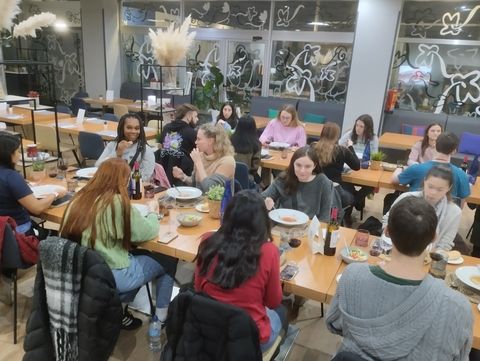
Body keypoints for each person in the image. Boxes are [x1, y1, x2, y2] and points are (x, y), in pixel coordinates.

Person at [326, 197, 473, 361]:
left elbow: (334, 323)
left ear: (387, 231)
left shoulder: (352, 276)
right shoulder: (458, 307)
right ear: (434, 237)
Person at [60, 158, 176, 330]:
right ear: (123, 180)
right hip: (113, 272)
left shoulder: (78, 199)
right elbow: (148, 231)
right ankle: (160, 319)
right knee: (169, 259)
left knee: (136, 256)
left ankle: (117, 313)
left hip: (82, 269)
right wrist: (153, 212)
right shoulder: (116, 203)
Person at [194, 190, 286, 352]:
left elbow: (198, 288)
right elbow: (273, 302)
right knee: (281, 312)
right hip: (247, 338)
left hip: (209, 328)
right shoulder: (269, 251)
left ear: (228, 216)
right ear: (261, 221)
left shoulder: (208, 240)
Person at [0, 132, 66, 235]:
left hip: (5, 232)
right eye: (17, 151)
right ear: (8, 154)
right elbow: (37, 208)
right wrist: (55, 193)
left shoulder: (8, 177)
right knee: (64, 235)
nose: (19, 155)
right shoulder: (11, 177)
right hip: (19, 235)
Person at [383, 164, 461, 251]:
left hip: (430, 257)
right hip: (396, 250)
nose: (433, 192)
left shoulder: (454, 212)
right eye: (430, 186)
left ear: (449, 188)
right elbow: (387, 220)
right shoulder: (406, 198)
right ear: (424, 181)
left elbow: (445, 243)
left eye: (440, 189)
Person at [392, 132, 470, 205]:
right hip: (443, 217)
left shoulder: (417, 168)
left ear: (435, 145)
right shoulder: (462, 175)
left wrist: (399, 168)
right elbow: (461, 201)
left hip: (414, 213)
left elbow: (395, 180)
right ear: (454, 151)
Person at [262, 146, 334, 222]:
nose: (302, 171)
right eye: (298, 165)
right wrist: (265, 203)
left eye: (308, 166)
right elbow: (261, 198)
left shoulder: (323, 182)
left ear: (314, 166)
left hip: (309, 226)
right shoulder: (283, 178)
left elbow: (325, 217)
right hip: (283, 223)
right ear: (293, 164)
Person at [172, 123, 235, 191]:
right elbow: (195, 184)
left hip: (217, 201)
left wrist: (198, 163)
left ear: (210, 141)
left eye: (199, 139)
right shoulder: (202, 155)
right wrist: (183, 177)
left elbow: (210, 189)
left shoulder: (227, 161)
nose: (196, 142)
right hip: (199, 200)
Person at [314, 122, 360, 208]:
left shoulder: (313, 147)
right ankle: (346, 215)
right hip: (335, 192)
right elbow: (357, 166)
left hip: (315, 190)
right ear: (336, 136)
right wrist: (350, 147)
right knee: (353, 195)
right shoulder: (342, 150)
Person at [96, 113, 155, 180]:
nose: (133, 131)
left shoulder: (146, 150)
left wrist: (122, 177)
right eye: (129, 128)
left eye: (137, 128)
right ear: (122, 128)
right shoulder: (112, 145)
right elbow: (98, 166)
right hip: (111, 185)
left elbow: (145, 177)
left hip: (133, 187)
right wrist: (117, 153)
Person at [155, 103, 198, 184]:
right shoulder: (192, 133)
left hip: (163, 174)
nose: (197, 119)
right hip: (183, 176)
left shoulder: (166, 127)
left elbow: (160, 147)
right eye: (195, 116)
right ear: (189, 116)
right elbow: (199, 154)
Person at [231, 115, 261, 185]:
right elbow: (255, 167)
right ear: (253, 128)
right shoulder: (256, 144)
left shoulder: (230, 140)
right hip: (246, 178)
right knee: (259, 180)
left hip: (229, 175)